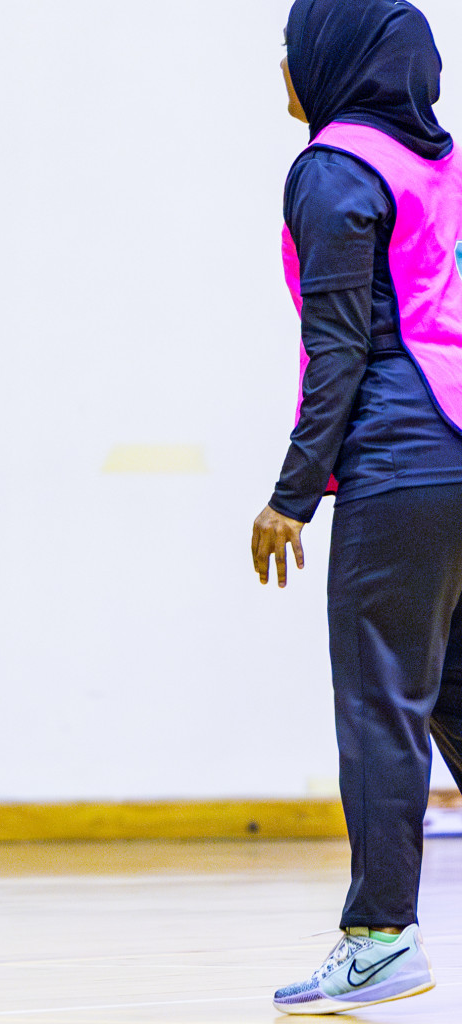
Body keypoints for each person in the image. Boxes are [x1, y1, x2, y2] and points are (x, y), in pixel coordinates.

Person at [254, 0, 462, 1014]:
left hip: (402, 460)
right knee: (453, 689)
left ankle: (381, 937)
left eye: (290, 49)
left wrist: (293, 495)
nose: (280, 67)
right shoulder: (444, 161)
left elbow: (336, 348)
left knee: (383, 700)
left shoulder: (333, 168)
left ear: (334, 58)